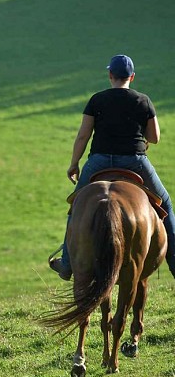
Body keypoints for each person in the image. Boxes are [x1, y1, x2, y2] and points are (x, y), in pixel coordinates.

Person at [49, 55, 175, 280]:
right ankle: (173, 259)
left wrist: (74, 163)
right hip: (134, 161)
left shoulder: (97, 100)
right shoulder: (143, 100)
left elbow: (83, 135)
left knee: (77, 205)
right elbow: (154, 137)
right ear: (132, 77)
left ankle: (67, 264)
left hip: (98, 160)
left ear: (110, 75)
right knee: (165, 203)